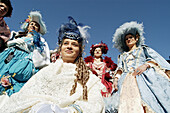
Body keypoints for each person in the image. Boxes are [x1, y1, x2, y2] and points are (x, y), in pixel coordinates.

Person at [0, 16, 105, 113]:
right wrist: (41, 107)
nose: (69, 47)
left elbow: (95, 103)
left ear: (80, 50)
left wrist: (70, 110)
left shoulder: (89, 78)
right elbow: (25, 96)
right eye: (66, 43)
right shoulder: (46, 71)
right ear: (60, 48)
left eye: (74, 44)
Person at [105, 21, 170, 113]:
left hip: (143, 77)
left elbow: (155, 59)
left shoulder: (143, 49)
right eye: (126, 39)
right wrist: (115, 80)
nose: (128, 40)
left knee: (147, 100)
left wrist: (145, 65)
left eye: (130, 37)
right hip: (125, 80)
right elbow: (120, 68)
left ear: (136, 39)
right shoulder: (123, 55)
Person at [0, 11, 50, 97]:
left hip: (22, 59)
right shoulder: (16, 35)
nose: (33, 26)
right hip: (9, 55)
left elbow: (43, 54)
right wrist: (11, 43)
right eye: (32, 24)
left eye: (36, 25)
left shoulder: (40, 40)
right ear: (27, 26)